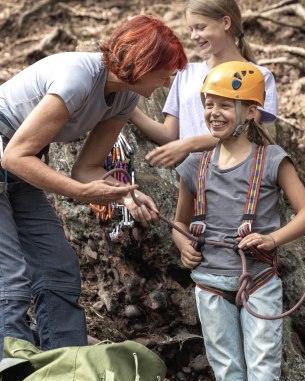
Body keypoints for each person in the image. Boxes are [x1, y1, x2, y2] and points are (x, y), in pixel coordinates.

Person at [0, 15, 187, 358]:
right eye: (165, 69)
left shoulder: (125, 99)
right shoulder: (78, 77)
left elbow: (86, 168)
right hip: (12, 155)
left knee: (58, 268)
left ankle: (66, 366)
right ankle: (8, 374)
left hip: (22, 165)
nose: (168, 78)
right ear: (142, 62)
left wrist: (126, 192)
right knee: (9, 276)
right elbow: (14, 157)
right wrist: (80, 192)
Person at [172, 61, 305, 381]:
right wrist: (183, 245)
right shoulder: (196, 165)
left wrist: (272, 239)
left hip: (259, 282)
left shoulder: (272, 160)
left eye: (225, 105)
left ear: (252, 111)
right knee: (228, 375)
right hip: (210, 284)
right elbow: (180, 225)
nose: (213, 112)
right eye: (208, 104)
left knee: (263, 373)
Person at [130, 0, 278, 169]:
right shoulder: (186, 73)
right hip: (192, 181)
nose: (193, 36)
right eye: (191, 29)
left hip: (235, 180)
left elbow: (245, 132)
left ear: (226, 22)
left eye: (200, 27)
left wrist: (188, 144)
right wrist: (127, 109)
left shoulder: (258, 76)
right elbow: (169, 135)